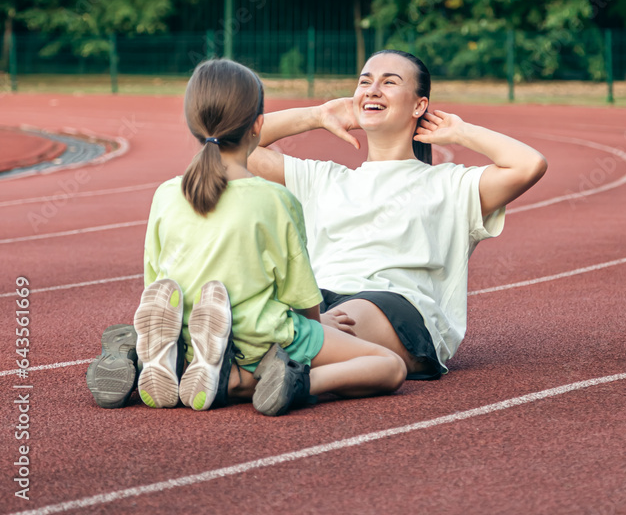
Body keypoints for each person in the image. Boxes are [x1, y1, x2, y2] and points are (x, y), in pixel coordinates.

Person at [86, 58, 406, 415]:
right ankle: (274, 381)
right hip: (262, 337)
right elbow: (297, 290)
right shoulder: (274, 199)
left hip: (188, 331)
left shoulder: (166, 194)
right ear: (258, 126)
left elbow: (157, 281)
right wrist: (319, 325)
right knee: (390, 366)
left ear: (192, 123)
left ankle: (165, 358)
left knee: (180, 318)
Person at [246, 49, 548, 378]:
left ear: (419, 106)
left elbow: (529, 165)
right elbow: (232, 147)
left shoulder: (451, 184)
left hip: (396, 307)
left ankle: (241, 364)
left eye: (389, 82)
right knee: (275, 312)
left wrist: (460, 131)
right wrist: (316, 115)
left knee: (296, 329)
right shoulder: (323, 178)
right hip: (316, 302)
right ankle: (243, 373)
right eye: (365, 82)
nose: (373, 90)